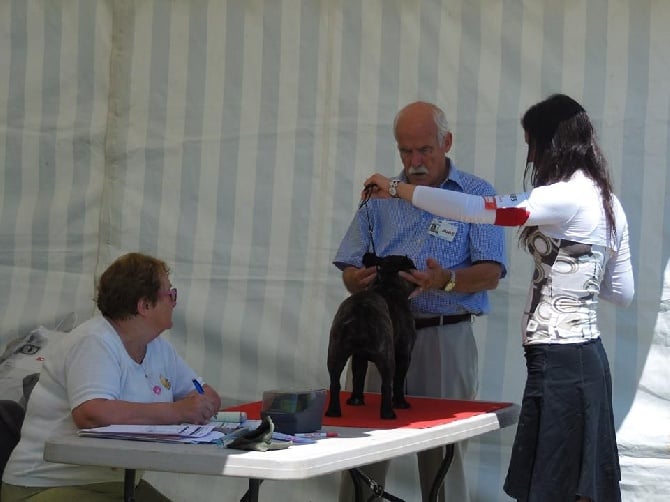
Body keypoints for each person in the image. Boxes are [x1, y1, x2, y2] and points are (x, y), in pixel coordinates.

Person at [364, 93, 635, 502]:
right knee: (581, 486)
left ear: (550, 144)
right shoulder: (608, 201)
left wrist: (396, 187)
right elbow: (622, 293)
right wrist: (576, 270)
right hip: (588, 357)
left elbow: (477, 210)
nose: (532, 156)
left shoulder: (559, 196)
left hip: (558, 358)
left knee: (554, 487)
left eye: (532, 144)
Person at [333, 101, 507, 502]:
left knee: (443, 460)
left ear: (446, 142)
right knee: (362, 452)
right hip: (379, 336)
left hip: (444, 337)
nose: (414, 161)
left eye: (424, 150)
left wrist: (444, 281)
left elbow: (491, 273)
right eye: (405, 151)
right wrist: (356, 280)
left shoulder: (476, 195)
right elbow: (349, 268)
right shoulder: (379, 196)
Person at [1, 252, 221, 502]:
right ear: (144, 305)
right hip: (46, 486)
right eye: (170, 294)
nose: (174, 302)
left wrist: (200, 404)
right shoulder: (94, 340)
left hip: (115, 484)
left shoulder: (158, 347)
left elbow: (207, 394)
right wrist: (179, 411)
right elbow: (92, 414)